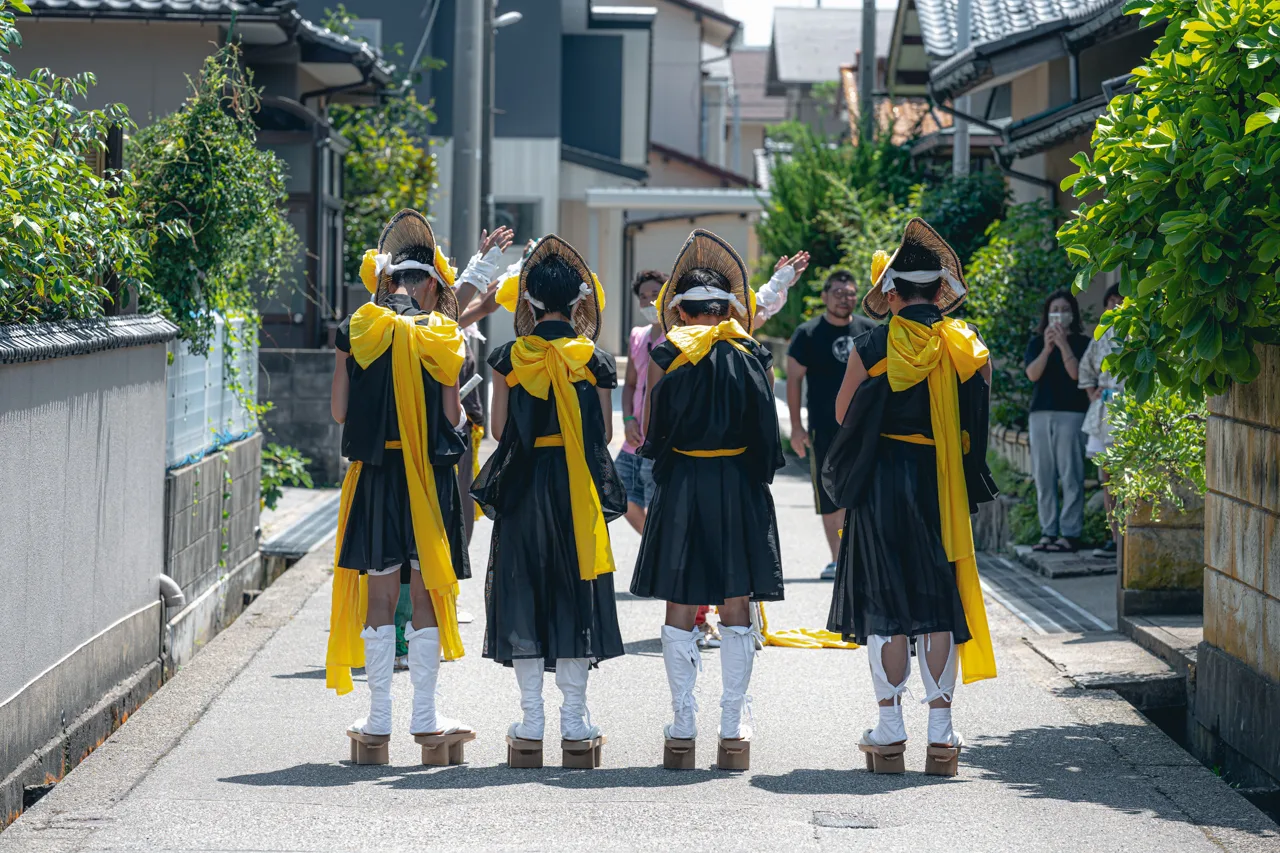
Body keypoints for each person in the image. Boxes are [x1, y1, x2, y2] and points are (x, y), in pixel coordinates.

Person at [823, 218, 998, 776]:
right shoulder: (966, 345)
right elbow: (978, 418)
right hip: (939, 483)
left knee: (886, 603)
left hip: (881, 485)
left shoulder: (872, 344)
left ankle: (889, 727)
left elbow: (842, 414)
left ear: (892, 292)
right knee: (939, 601)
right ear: (941, 290)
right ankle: (941, 734)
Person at [631, 229, 790, 772]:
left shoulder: (665, 352)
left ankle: (682, 726)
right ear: (727, 309)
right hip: (738, 484)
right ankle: (732, 726)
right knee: (736, 601)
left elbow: (651, 431)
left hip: (683, 483)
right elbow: (767, 434)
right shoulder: (754, 353)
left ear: (680, 309)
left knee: (681, 599)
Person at [325, 209, 478, 765]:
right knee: (426, 592)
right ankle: (425, 717)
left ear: (388, 281)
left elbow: (340, 412)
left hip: (374, 477)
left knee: (381, 593)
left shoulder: (358, 329)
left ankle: (378, 720)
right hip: (427, 482)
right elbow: (453, 416)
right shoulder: (442, 335)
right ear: (432, 286)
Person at [471, 235, 626, 770]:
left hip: (525, 485)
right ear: (578, 302)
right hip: (575, 489)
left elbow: (498, 430)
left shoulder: (510, 358)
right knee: (574, 590)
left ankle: (531, 723)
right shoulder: (593, 359)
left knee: (524, 589)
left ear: (528, 301)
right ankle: (576, 724)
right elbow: (604, 435)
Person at [787, 270, 876, 580]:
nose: (844, 299)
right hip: (824, 428)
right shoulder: (807, 333)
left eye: (850, 293)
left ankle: (861, 558)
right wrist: (796, 427)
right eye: (838, 293)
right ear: (824, 296)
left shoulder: (869, 331)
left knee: (865, 491)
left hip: (866, 429)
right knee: (829, 493)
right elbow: (794, 380)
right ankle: (838, 560)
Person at [1024, 290, 1091, 553]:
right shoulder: (1036, 342)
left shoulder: (1083, 343)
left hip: (1072, 414)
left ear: (1073, 314)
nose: (1059, 315)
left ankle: (1071, 533)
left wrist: (1063, 345)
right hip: (1040, 414)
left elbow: (1077, 375)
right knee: (1043, 475)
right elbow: (1032, 375)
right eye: (1055, 310)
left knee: (1071, 474)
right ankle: (1048, 531)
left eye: (1064, 310)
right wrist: (1047, 347)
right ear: (1047, 314)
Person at [616, 269, 668, 534]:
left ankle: (659, 549)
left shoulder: (679, 338)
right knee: (620, 492)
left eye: (656, 294)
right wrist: (628, 420)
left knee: (660, 504)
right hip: (635, 437)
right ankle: (655, 545)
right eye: (643, 296)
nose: (649, 301)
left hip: (661, 439)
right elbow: (630, 385)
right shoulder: (637, 336)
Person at [1078, 284, 1125, 559]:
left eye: (1121, 301)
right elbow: (1085, 370)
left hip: (1129, 408)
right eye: (1111, 302)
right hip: (1104, 409)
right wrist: (1092, 394)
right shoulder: (1100, 334)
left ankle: (1130, 537)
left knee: (1126, 474)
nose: (1115, 306)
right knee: (1108, 478)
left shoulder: (1140, 331)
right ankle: (1114, 537)